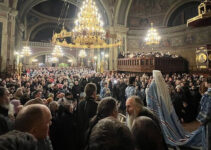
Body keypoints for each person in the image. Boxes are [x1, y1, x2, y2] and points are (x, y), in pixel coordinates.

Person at [146, 70, 202, 148]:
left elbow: (150, 99)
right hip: (165, 108)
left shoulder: (153, 85)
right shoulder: (162, 84)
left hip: (159, 109)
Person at [78, 83, 98, 149]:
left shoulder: (80, 103)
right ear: (94, 92)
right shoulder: (96, 106)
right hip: (91, 136)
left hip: (80, 135)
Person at [197, 76, 211, 150]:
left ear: (207, 83)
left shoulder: (208, 94)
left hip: (209, 121)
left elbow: (207, 110)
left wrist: (202, 120)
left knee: (208, 139)